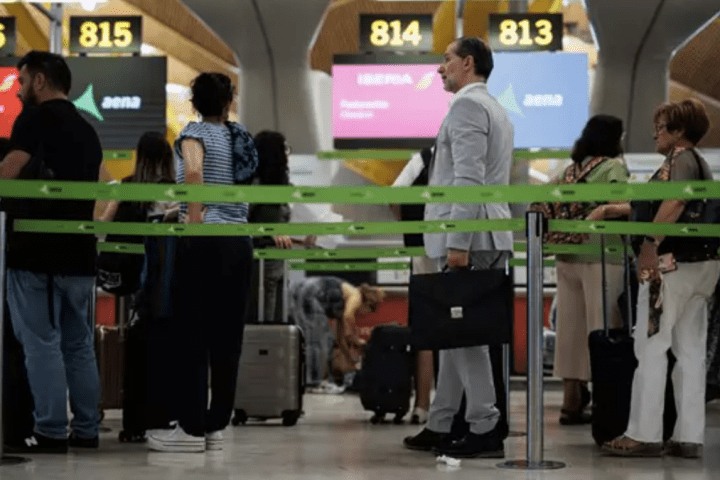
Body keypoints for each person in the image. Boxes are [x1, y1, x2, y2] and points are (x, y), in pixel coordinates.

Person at [403, 37, 513, 459]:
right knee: (454, 332)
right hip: (485, 232)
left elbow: (469, 178)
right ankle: (442, 420)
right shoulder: (495, 108)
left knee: (468, 338)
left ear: (467, 63)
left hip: (473, 236)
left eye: (446, 60)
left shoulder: (468, 107)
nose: (439, 68)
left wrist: (458, 242)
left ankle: (484, 426)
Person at [146, 72, 258, 453]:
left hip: (206, 241)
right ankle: (216, 425)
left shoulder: (193, 133)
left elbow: (194, 172)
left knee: (192, 334)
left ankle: (189, 428)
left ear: (194, 102)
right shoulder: (240, 136)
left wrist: (192, 223)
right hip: (238, 242)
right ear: (228, 103)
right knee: (228, 337)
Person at [603, 99, 720, 458]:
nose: (656, 133)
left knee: (651, 347)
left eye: (662, 126)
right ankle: (689, 436)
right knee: (690, 351)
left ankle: (643, 433)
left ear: (679, 132)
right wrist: (616, 208)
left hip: (671, 268)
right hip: (701, 267)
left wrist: (651, 244)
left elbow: (675, 203)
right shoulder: (700, 164)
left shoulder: (679, 160)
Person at [0, 51, 103, 453]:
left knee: (41, 342)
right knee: (78, 345)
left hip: (36, 253)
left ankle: (51, 431)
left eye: (22, 81)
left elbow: (10, 171)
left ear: (40, 80)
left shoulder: (34, 120)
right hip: (80, 252)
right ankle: (88, 429)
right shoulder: (87, 129)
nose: (20, 88)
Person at [552, 115, 630, 425]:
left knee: (569, 331)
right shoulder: (613, 167)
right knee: (604, 328)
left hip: (567, 255)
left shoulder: (570, 171)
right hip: (602, 253)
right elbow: (620, 203)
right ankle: (605, 405)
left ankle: (571, 401)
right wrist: (613, 209)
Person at [247, 130, 316, 322]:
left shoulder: (284, 186)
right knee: (261, 317)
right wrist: (269, 234)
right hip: (259, 264)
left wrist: (302, 238)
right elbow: (240, 224)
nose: (287, 154)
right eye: (283, 148)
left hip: (280, 263)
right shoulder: (255, 186)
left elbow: (283, 225)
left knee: (278, 317)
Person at [390, 146, 435, 425]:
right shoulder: (475, 155)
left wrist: (409, 225)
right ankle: (458, 405)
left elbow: (395, 194)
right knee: (462, 330)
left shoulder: (425, 157)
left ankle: (422, 406)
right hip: (466, 249)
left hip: (423, 249)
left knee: (426, 328)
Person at [290, 277, 385, 393]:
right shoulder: (356, 295)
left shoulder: (343, 302)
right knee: (320, 340)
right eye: (367, 312)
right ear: (368, 304)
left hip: (300, 290)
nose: (362, 315)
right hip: (313, 292)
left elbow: (340, 340)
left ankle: (308, 380)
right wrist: (356, 338)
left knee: (311, 340)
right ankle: (316, 383)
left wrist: (352, 362)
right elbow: (348, 316)